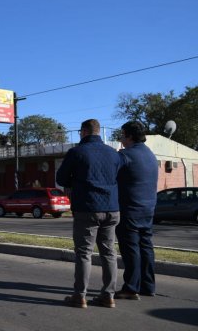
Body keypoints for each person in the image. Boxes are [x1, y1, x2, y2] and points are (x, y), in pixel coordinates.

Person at [56, 119, 121, 309]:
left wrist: (73, 182)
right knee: (109, 252)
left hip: (87, 208)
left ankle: (80, 295)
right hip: (112, 208)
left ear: (84, 132)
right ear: (98, 132)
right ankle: (108, 296)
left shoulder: (76, 153)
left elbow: (60, 178)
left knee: (84, 253)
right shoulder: (114, 154)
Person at [115, 121, 159, 300]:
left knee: (130, 249)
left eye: (122, 134)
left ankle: (131, 287)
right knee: (146, 247)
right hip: (148, 208)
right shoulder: (150, 155)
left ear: (129, 136)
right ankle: (148, 286)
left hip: (129, 209)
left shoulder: (125, 155)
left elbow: (112, 176)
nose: (121, 138)